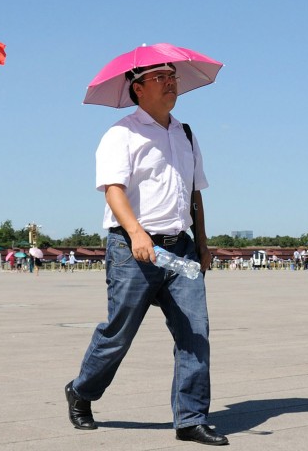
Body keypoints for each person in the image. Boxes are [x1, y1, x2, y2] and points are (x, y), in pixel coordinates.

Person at [66, 63, 227, 446]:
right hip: (132, 248)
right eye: (161, 78)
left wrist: (202, 242)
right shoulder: (121, 134)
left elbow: (195, 192)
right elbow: (113, 190)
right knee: (118, 334)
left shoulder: (185, 133)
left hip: (181, 250)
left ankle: (190, 419)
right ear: (138, 88)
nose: (171, 83)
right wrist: (138, 234)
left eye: (173, 77)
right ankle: (81, 391)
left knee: (195, 333)